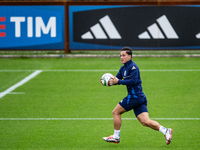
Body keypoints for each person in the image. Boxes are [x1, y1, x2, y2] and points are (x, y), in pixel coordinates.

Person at [102, 47, 173, 145]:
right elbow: (117, 79)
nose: (121, 57)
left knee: (115, 112)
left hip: (134, 97)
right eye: (120, 55)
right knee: (145, 121)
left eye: (123, 55)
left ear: (129, 57)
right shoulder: (123, 68)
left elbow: (133, 81)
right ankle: (165, 130)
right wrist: (109, 81)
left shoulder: (133, 67)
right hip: (139, 98)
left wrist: (118, 81)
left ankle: (116, 136)